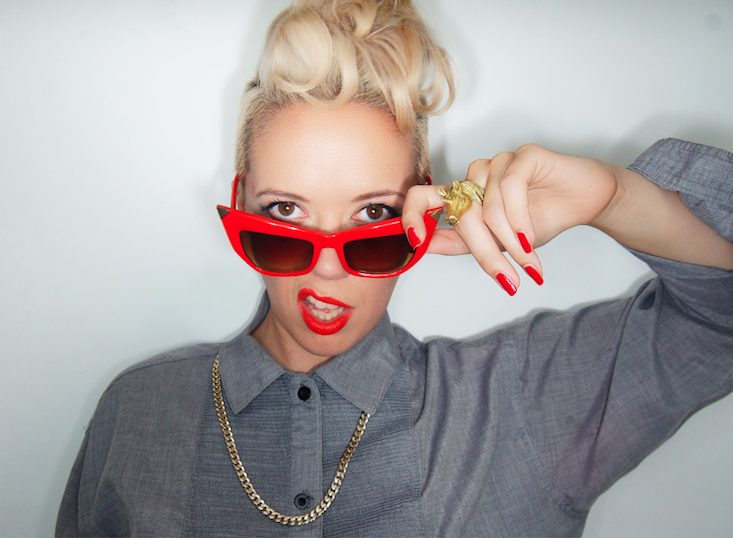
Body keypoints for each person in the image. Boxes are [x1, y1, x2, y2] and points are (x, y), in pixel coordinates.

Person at [55, 0, 733, 535]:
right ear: (240, 204)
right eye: (286, 212)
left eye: (372, 216)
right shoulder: (138, 413)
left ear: (421, 212)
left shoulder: (519, 401)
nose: (327, 270)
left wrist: (614, 199)